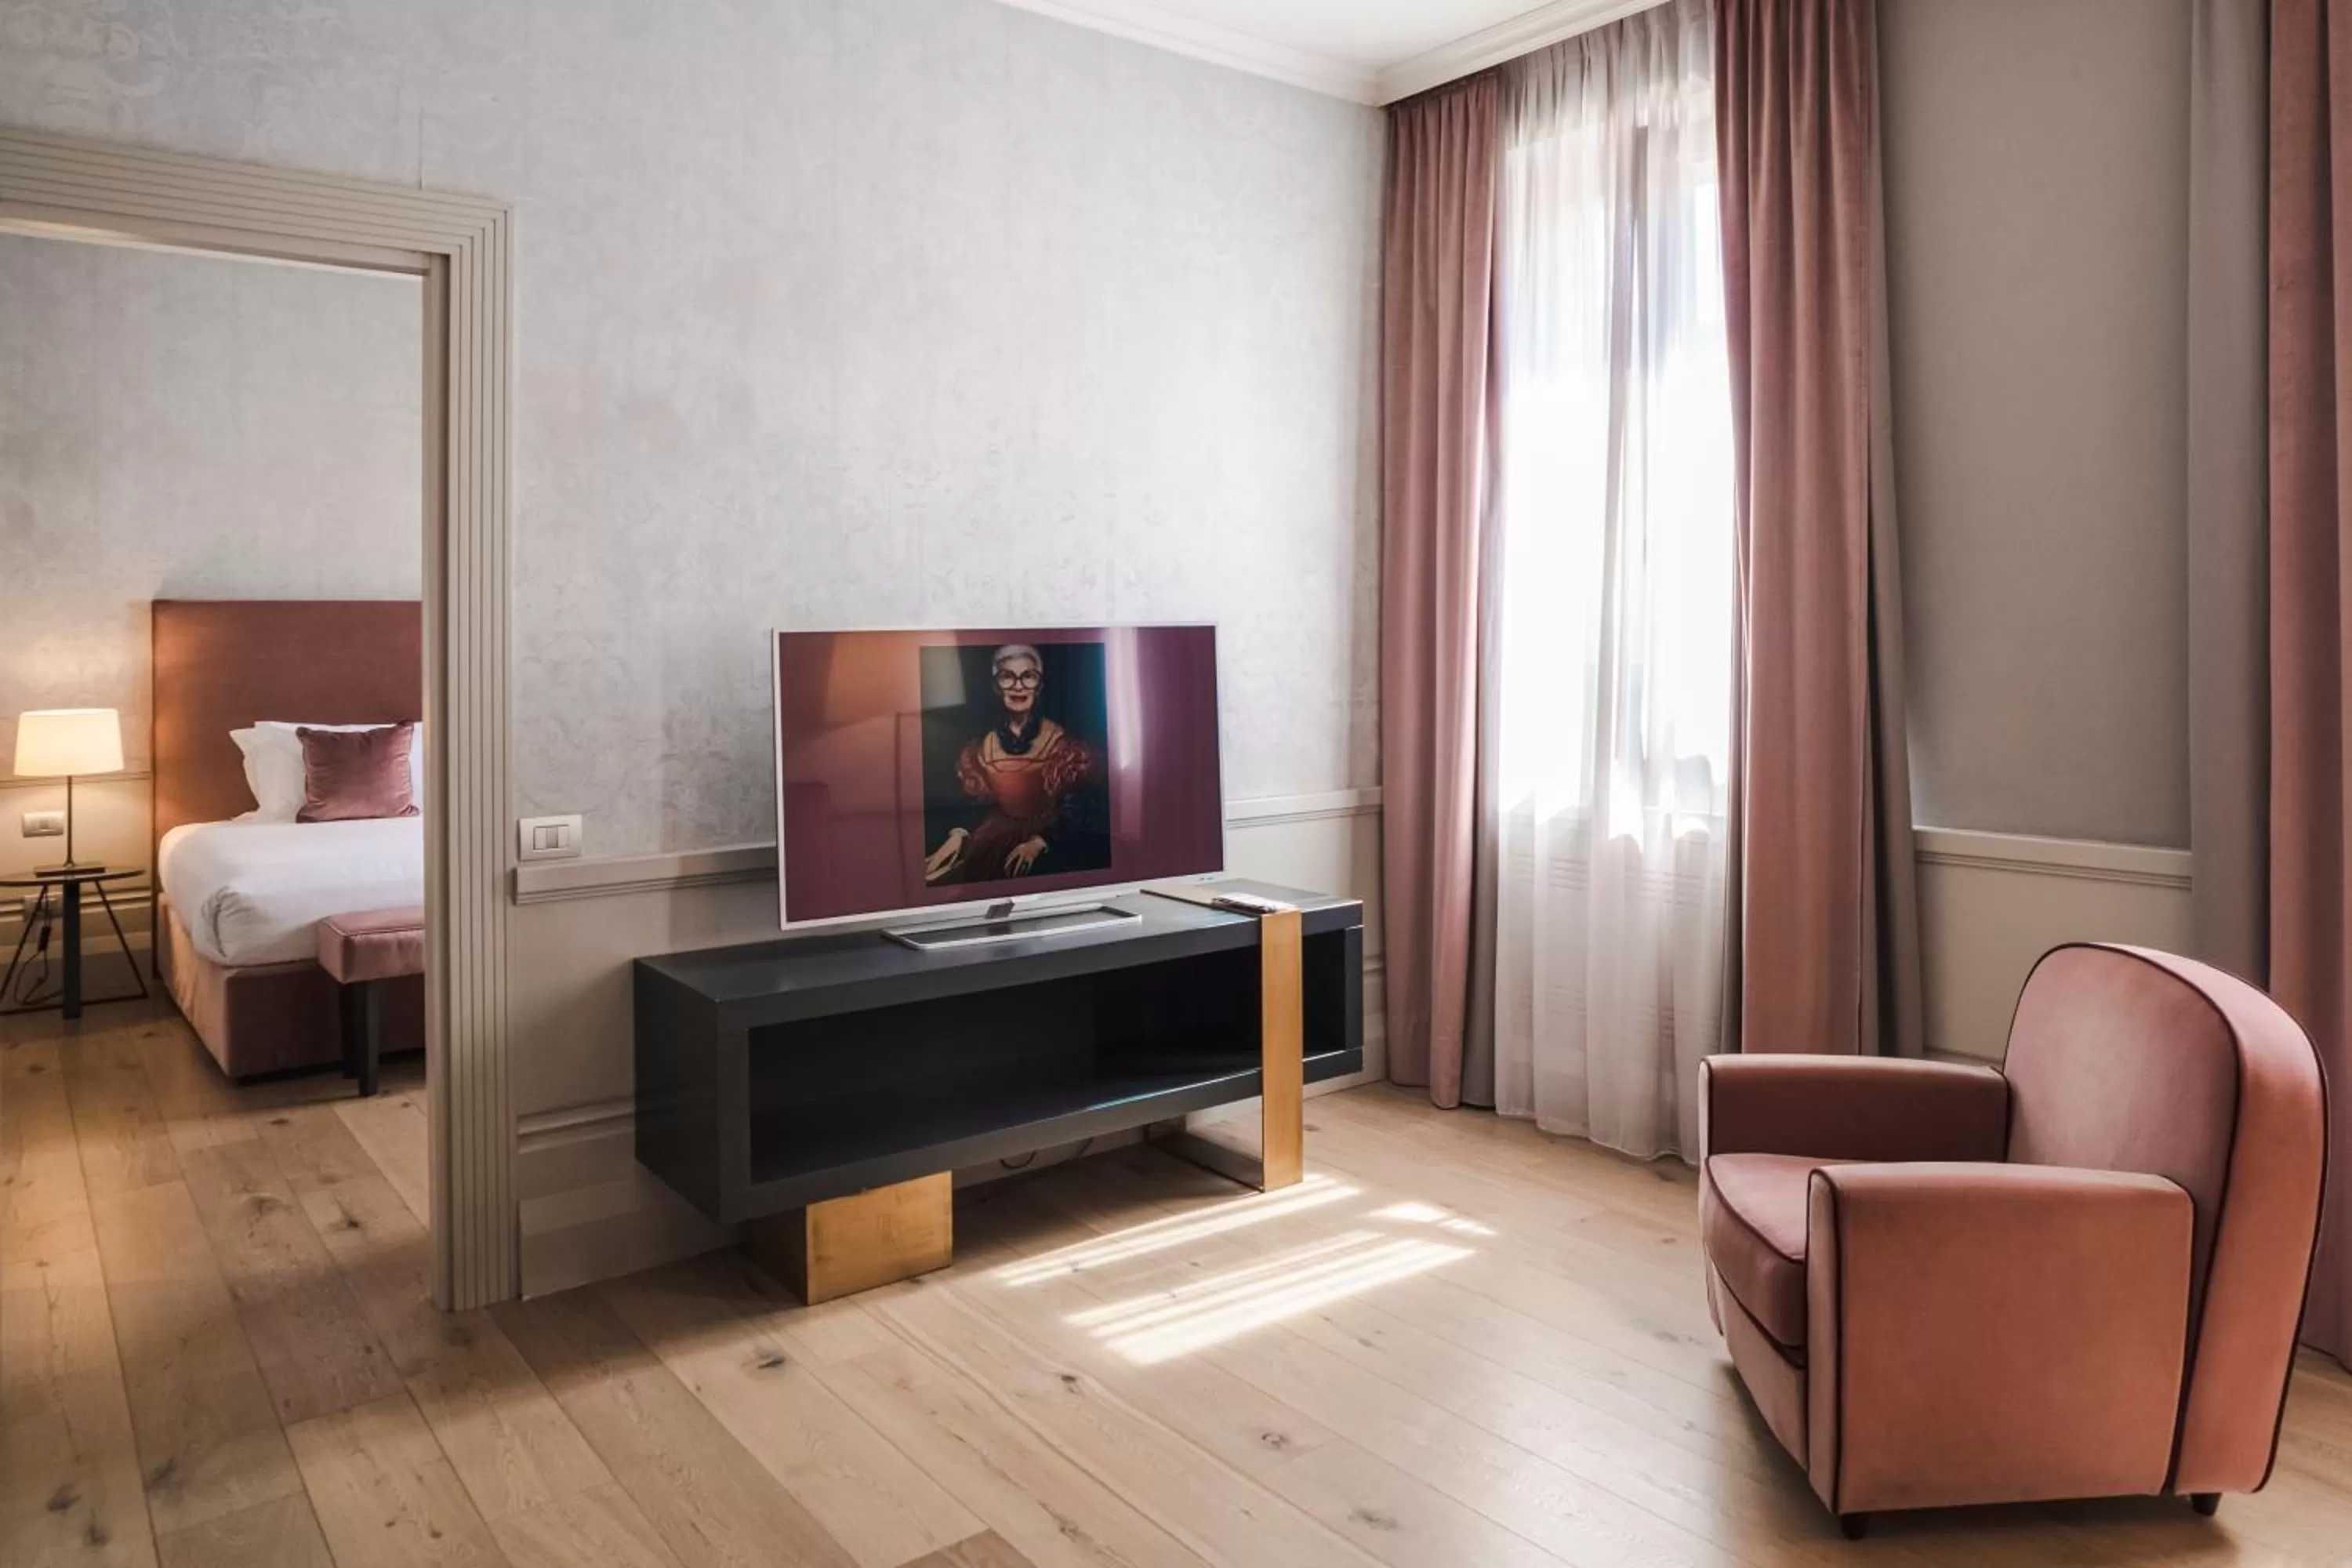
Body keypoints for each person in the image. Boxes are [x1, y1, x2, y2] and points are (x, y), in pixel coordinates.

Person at [924, 644, 1102, 884]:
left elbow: (1079, 808)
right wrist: (959, 834)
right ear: (996, 686)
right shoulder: (981, 747)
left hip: (1050, 838)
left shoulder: (1060, 744)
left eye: (1028, 676)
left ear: (1039, 685)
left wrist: (1040, 842)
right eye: (1007, 677)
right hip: (997, 834)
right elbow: (980, 805)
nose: (1018, 685)